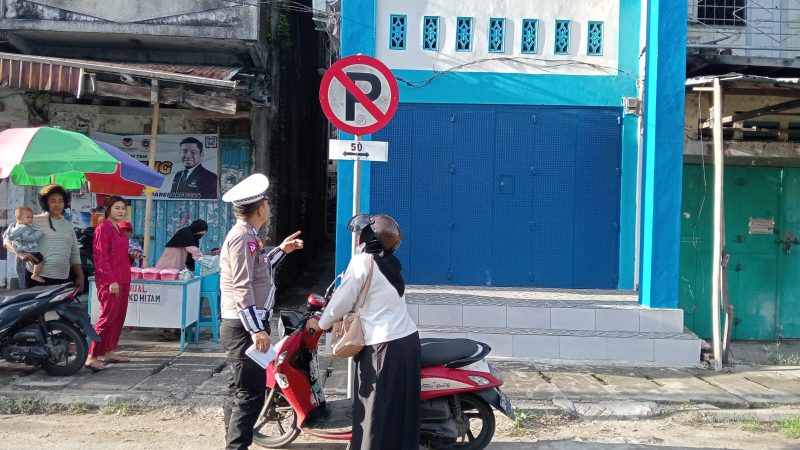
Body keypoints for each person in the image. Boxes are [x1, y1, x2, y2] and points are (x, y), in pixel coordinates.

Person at [307, 214, 420, 450]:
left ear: (369, 237)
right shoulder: (390, 263)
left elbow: (341, 300)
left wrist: (321, 324)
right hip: (407, 342)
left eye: (361, 233)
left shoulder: (363, 262)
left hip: (381, 346)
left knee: (374, 409)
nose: (357, 237)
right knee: (401, 407)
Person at [219, 173, 304, 450]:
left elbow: (258, 270)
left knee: (238, 388)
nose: (269, 207)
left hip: (241, 322)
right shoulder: (243, 238)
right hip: (243, 325)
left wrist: (282, 250)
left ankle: (232, 444)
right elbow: (241, 285)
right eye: (267, 203)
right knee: (248, 392)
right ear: (260, 209)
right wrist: (257, 329)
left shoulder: (248, 237)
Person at [3, 185, 84, 292]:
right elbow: (6, 239)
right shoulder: (32, 220)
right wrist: (19, 254)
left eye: (61, 201)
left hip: (61, 279)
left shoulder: (68, 226)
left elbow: (74, 254)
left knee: (59, 309)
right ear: (46, 203)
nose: (57, 204)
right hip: (35, 277)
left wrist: (80, 276)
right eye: (53, 201)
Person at [85, 196, 133, 372]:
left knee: (119, 317)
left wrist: (131, 258)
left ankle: (108, 351)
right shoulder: (103, 229)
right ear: (108, 209)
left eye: (123, 208)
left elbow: (119, 256)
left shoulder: (119, 230)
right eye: (117, 208)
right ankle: (92, 355)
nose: (121, 211)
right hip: (110, 281)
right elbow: (101, 257)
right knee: (107, 317)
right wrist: (110, 280)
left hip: (123, 279)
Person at [3, 206, 45, 288]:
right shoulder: (14, 226)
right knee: (25, 289)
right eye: (28, 217)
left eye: (31, 217)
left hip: (53, 273)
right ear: (19, 218)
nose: (30, 219)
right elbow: (6, 242)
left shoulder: (35, 222)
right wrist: (19, 253)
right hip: (27, 262)